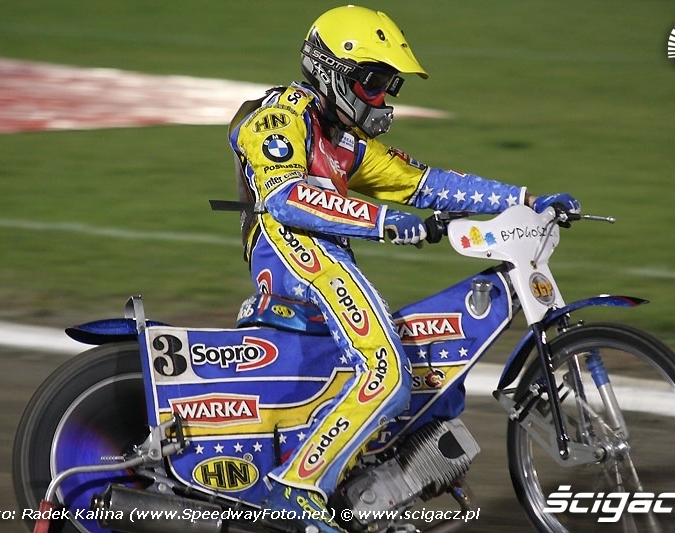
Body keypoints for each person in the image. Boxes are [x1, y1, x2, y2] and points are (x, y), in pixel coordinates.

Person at [228, 5, 580, 531]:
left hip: (324, 256)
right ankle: (298, 487)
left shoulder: (344, 141)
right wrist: (386, 221)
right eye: (372, 83)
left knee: (433, 377)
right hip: (291, 252)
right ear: (330, 70)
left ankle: (369, 491)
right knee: (388, 372)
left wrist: (524, 200)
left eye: (388, 86)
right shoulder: (279, 118)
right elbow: (286, 198)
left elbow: (428, 183)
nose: (381, 98)